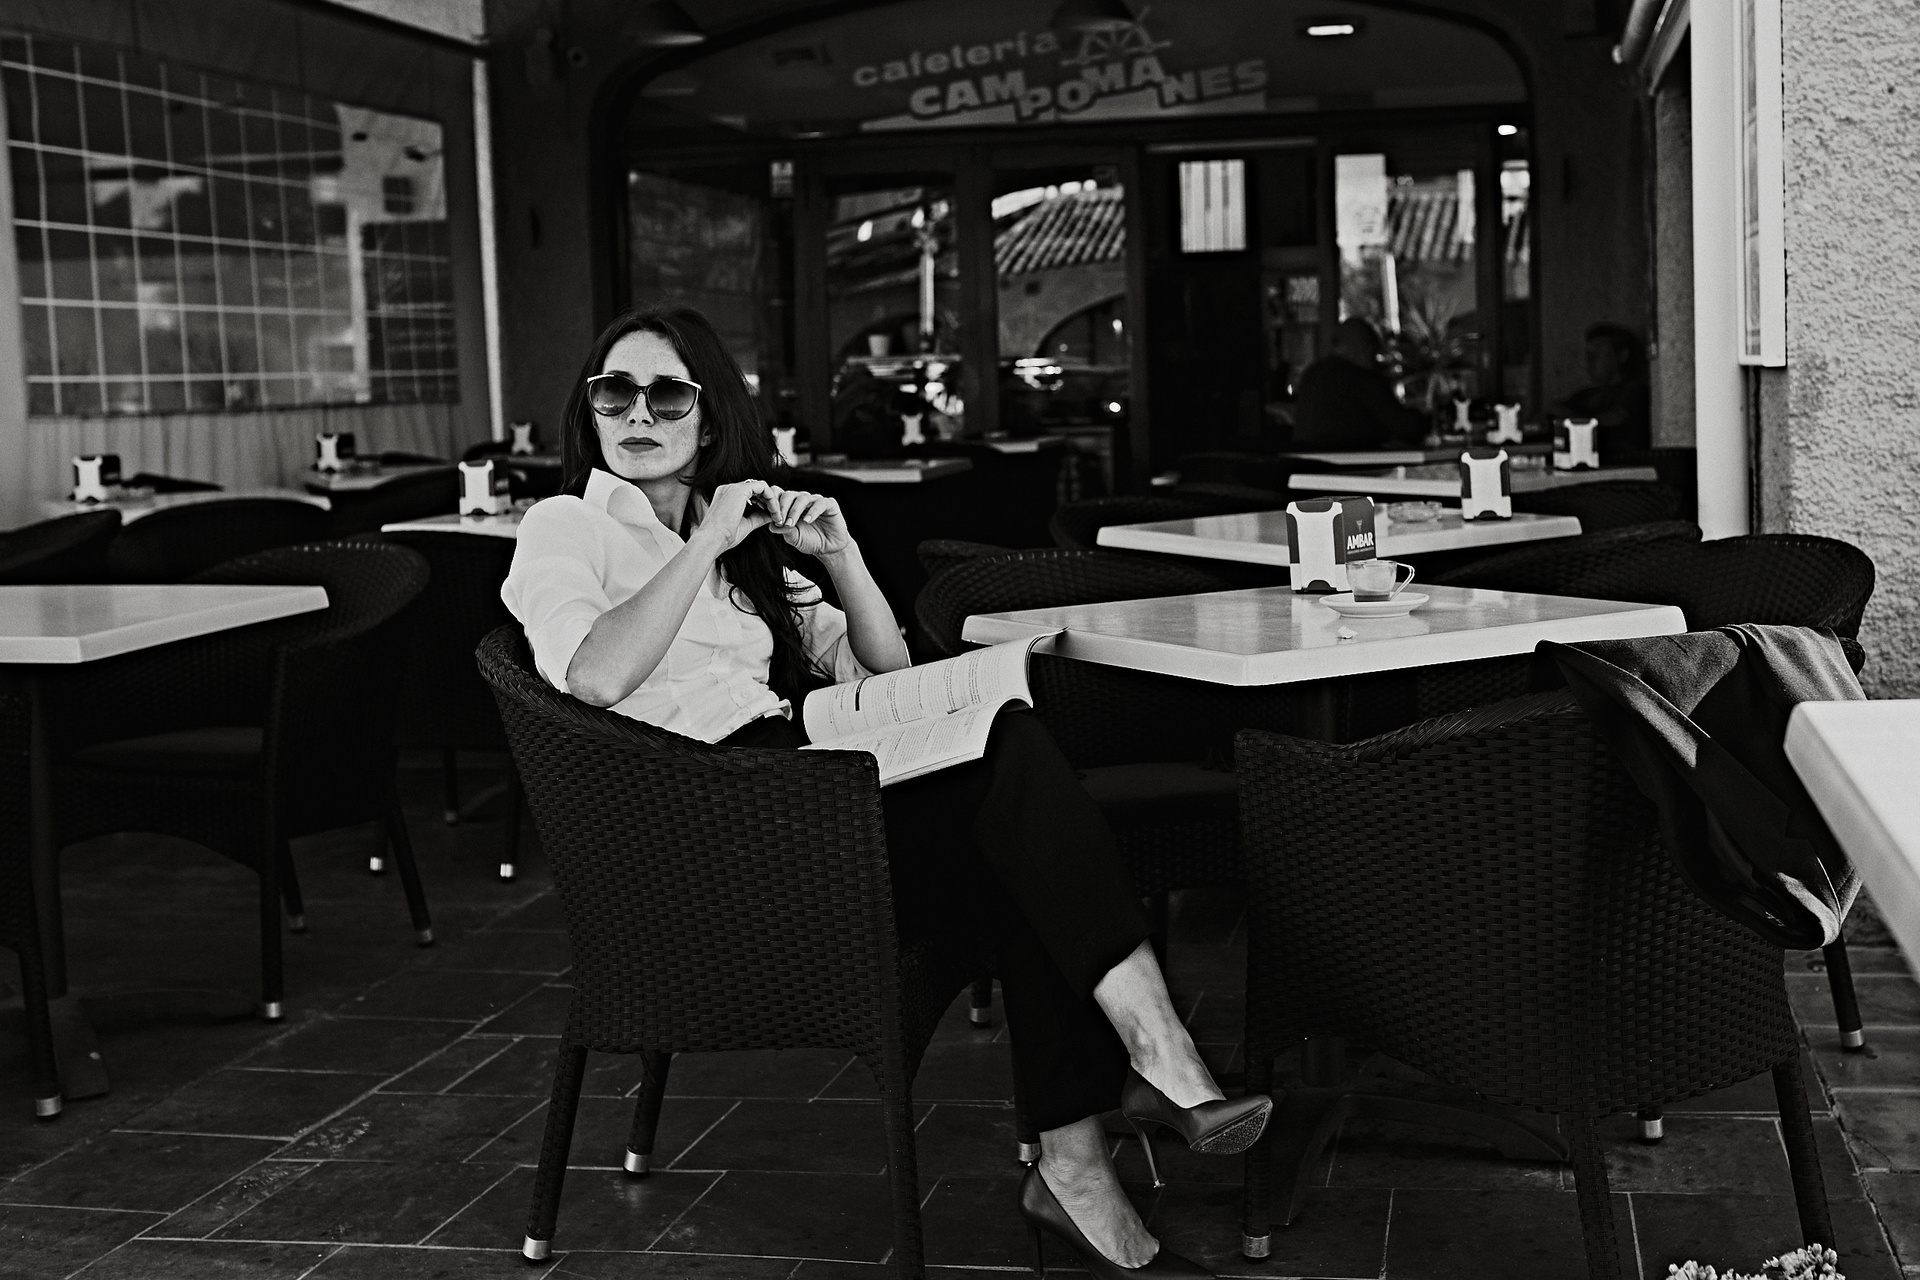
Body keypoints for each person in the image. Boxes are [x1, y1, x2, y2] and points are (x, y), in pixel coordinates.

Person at [502, 305, 1269, 1279]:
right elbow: (595, 676)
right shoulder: (566, 527)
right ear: (590, 409)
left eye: (667, 394)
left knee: (1019, 814)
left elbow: (886, 668)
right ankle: (1147, 1068)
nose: (638, 413)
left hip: (804, 790)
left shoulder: (741, 545)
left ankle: (1086, 1166)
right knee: (1018, 802)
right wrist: (701, 545)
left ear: (710, 416)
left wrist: (840, 554)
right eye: (615, 391)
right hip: (705, 832)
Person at [1290, 318, 1429, 450]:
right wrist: (1427, 418)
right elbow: (1406, 428)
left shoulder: (1312, 374)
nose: (1376, 360)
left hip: (1311, 462)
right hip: (1355, 462)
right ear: (1366, 347)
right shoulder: (1360, 377)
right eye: (1374, 351)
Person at [1554, 322, 1651, 456]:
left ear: (1622, 356)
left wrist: (1574, 419)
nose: (1590, 360)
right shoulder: (1586, 395)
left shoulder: (1635, 392)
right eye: (1588, 355)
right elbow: (1553, 410)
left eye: (1598, 353)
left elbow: (1615, 420)